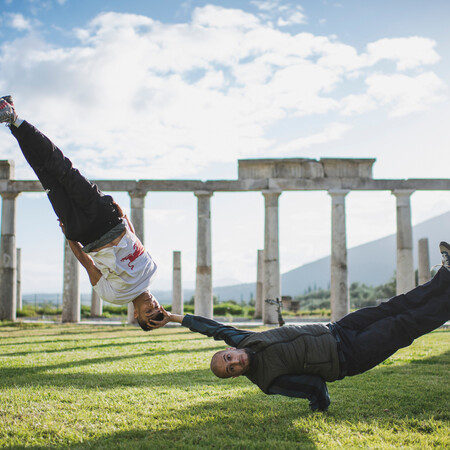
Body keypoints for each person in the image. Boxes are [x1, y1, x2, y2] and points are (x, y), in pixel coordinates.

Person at [150, 244, 450, 411]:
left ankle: (445, 277)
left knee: (392, 307)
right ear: (236, 375)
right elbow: (315, 388)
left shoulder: (244, 340)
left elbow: (211, 327)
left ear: (231, 350)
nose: (235, 362)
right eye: (231, 369)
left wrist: (173, 317)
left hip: (337, 329)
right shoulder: (268, 381)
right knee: (402, 325)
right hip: (349, 356)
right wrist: (319, 409)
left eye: (229, 358)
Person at [0, 95, 162, 331]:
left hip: (84, 234)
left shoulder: (115, 297)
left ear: (135, 313)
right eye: (157, 307)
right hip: (108, 219)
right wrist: (124, 216)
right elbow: (135, 242)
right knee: (63, 168)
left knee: (46, 176)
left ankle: (11, 120)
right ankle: (14, 118)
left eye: (149, 311)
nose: (152, 304)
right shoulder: (153, 271)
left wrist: (70, 238)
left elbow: (88, 265)